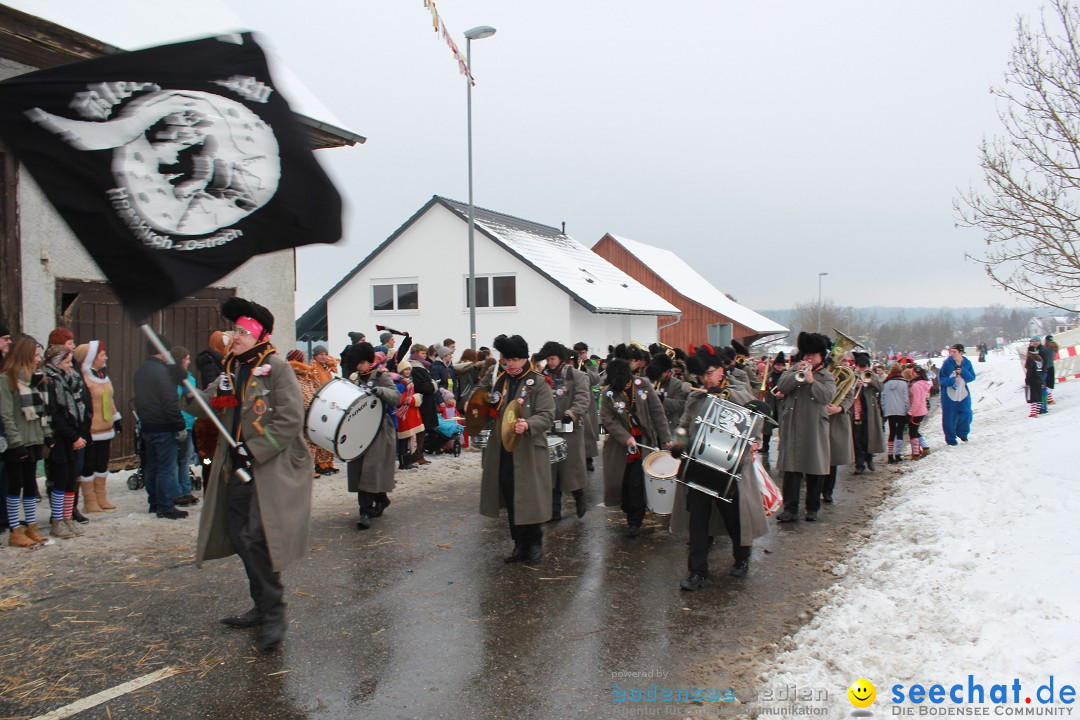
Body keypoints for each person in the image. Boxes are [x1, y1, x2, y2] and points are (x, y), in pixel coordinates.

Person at [187, 297, 312, 652]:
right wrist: (182, 386)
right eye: (234, 330)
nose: (234, 336)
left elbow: (289, 420)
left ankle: (275, 613)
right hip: (237, 469)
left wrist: (254, 449)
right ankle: (261, 605)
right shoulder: (231, 369)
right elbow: (205, 407)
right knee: (241, 536)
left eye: (241, 331)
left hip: (270, 469)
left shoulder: (276, 368)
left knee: (257, 536)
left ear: (258, 335)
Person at [672, 346, 768, 590]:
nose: (706, 379)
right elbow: (684, 425)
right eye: (702, 375)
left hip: (730, 468)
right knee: (698, 522)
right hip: (700, 466)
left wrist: (722, 395)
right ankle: (697, 572)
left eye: (710, 373)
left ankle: (742, 557)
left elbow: (753, 417)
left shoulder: (737, 390)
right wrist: (678, 443)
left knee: (735, 519)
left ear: (721, 371)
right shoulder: (695, 397)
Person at [478, 334, 555, 564]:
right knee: (512, 498)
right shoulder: (501, 380)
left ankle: (535, 544)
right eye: (506, 359)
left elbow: (548, 415)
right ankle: (519, 545)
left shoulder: (538, 382)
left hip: (528, 450)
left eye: (514, 360)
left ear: (523, 359)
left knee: (529, 499)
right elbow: (488, 404)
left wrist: (529, 424)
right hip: (503, 449)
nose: (509, 364)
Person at [600, 356, 671, 538]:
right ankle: (628, 510)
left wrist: (666, 438)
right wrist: (625, 437)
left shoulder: (643, 385)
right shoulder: (607, 393)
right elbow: (607, 419)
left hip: (644, 443)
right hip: (621, 446)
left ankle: (635, 521)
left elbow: (657, 412)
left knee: (636, 482)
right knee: (622, 482)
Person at [774, 333, 836, 523]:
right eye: (806, 355)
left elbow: (826, 397)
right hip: (793, 424)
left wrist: (811, 381)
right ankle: (790, 509)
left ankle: (812, 508)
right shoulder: (792, 370)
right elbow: (781, 388)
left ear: (821, 356)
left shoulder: (826, 376)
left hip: (814, 425)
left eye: (814, 355)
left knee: (814, 468)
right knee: (791, 469)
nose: (809, 359)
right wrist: (796, 375)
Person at [343, 342, 400, 529]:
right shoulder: (354, 378)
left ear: (368, 361)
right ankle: (381, 499)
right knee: (360, 469)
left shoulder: (381, 376)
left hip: (379, 429)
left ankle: (365, 511)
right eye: (356, 365)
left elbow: (396, 397)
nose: (358, 367)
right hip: (359, 429)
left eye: (360, 363)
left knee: (370, 469)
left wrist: (381, 391)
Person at [0, 336, 50, 546]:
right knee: (15, 485)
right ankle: (15, 530)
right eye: (36, 355)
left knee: (30, 484)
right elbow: (6, 414)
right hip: (17, 441)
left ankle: (31, 525)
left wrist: (46, 434)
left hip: (34, 439)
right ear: (25, 355)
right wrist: (15, 441)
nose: (38, 359)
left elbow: (43, 412)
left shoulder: (36, 379)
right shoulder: (6, 379)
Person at [133, 337, 187, 519]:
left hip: (147, 425)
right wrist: (180, 425)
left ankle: (154, 502)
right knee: (166, 467)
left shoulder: (141, 371)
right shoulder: (163, 373)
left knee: (152, 466)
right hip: (164, 426)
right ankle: (165, 506)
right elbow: (170, 402)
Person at [43, 344, 90, 539]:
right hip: (61, 437)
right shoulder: (50, 381)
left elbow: (78, 407)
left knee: (71, 479)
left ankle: (67, 517)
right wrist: (73, 436)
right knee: (60, 480)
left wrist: (80, 434)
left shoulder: (70, 379)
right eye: (67, 361)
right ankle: (57, 521)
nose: (71, 366)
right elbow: (55, 413)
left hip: (73, 435)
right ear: (55, 362)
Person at [539, 341, 590, 521]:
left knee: (571, 468)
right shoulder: (541, 376)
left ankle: (579, 497)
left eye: (552, 358)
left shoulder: (575, 375)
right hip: (550, 427)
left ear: (560, 358)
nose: (550, 362)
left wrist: (572, 413)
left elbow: (583, 398)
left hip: (570, 427)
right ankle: (554, 510)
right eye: (548, 359)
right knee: (552, 471)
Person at [74, 340, 120, 516]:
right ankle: (89, 500)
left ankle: (101, 497)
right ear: (92, 358)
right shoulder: (84, 378)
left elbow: (110, 399)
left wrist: (116, 418)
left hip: (106, 427)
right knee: (89, 465)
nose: (105, 357)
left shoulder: (102, 375)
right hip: (92, 429)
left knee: (102, 464)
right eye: (102, 355)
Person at [170, 347, 200, 506]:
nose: (189, 361)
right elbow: (178, 400)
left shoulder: (189, 377)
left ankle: (185, 490)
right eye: (187, 358)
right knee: (179, 460)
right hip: (181, 423)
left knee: (185, 459)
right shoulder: (178, 379)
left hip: (189, 422)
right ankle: (179, 492)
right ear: (180, 360)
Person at [822, 368, 856, 503]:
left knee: (832, 458)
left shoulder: (842, 374)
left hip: (836, 419)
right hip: (817, 417)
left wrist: (839, 408)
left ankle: (827, 491)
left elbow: (849, 396)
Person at [849, 351, 884, 474]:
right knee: (857, 439)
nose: (863, 370)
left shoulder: (872, 375)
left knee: (868, 437)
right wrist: (855, 384)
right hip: (856, 411)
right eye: (860, 367)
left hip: (870, 412)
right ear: (856, 366)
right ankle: (859, 464)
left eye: (865, 367)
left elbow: (881, 387)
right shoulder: (851, 375)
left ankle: (869, 458)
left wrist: (868, 382)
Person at [307, 345, 340, 475]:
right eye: (321, 354)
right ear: (315, 355)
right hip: (320, 403)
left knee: (329, 434)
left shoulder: (327, 368)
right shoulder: (313, 368)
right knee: (321, 434)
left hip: (328, 402)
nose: (324, 356)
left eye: (325, 354)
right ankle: (320, 464)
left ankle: (328, 463)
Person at [938, 344, 975, 446]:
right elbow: (941, 379)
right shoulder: (947, 363)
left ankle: (962, 433)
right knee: (949, 417)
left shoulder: (967, 363)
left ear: (961, 352)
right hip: (949, 395)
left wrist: (963, 371)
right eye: (951, 352)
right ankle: (951, 439)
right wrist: (952, 380)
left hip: (962, 393)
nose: (952, 354)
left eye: (954, 352)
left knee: (967, 413)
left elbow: (972, 377)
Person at [408, 343, 438, 466]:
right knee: (419, 430)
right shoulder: (416, 368)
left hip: (425, 402)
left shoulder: (422, 367)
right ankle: (417, 455)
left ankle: (419, 454)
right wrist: (433, 385)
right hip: (422, 403)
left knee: (422, 430)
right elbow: (424, 386)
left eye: (425, 354)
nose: (424, 356)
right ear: (416, 354)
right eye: (422, 353)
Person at [759, 352, 788, 463]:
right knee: (767, 426)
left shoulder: (786, 374)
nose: (779, 366)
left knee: (782, 427)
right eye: (777, 364)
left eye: (781, 365)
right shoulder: (770, 374)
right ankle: (765, 446)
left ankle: (782, 448)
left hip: (781, 404)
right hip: (771, 403)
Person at [395, 358, 423, 470]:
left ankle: (407, 460)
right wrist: (413, 400)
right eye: (405, 369)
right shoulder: (401, 384)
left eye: (408, 369)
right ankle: (403, 462)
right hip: (404, 414)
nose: (407, 371)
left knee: (408, 438)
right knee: (403, 439)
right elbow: (400, 399)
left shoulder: (409, 382)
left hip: (409, 413)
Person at [881, 363, 911, 463]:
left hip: (890, 410)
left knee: (892, 432)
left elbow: (883, 398)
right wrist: (908, 409)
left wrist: (884, 410)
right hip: (901, 410)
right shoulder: (904, 383)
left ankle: (889, 454)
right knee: (900, 432)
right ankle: (898, 454)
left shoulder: (885, 383)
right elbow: (905, 398)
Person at [907, 366, 932, 456]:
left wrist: (910, 413)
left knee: (913, 432)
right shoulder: (923, 383)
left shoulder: (916, 386)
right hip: (922, 410)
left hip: (917, 412)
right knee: (915, 431)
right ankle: (924, 448)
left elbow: (916, 401)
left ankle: (916, 453)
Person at [1026, 341, 1046, 419]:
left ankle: (1034, 413)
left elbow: (1029, 371)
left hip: (1033, 380)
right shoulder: (1039, 359)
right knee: (1038, 395)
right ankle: (1037, 411)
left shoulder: (1030, 359)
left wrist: (1027, 380)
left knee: (1033, 396)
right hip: (1039, 379)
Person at [1043, 335, 1058, 407]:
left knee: (1046, 383)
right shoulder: (1054, 348)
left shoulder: (1047, 349)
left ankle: (1049, 400)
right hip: (1051, 367)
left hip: (1046, 367)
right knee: (1050, 383)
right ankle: (1050, 399)